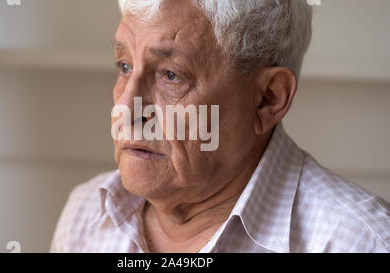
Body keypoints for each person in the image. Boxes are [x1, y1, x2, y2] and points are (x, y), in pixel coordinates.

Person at [51, 0, 389, 253]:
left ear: (268, 99)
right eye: (125, 66)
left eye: (171, 75)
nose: (125, 107)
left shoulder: (358, 242)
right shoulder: (87, 215)